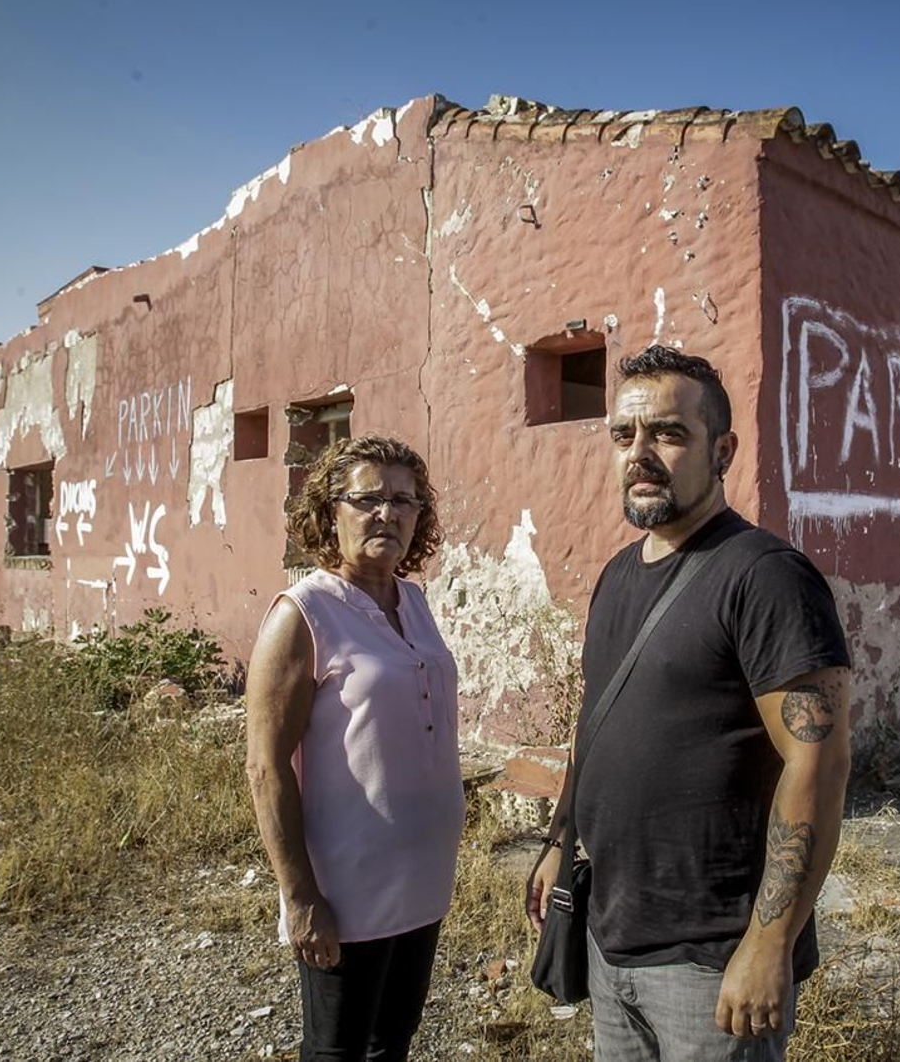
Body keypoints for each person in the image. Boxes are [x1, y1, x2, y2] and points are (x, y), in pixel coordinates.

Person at [527, 346, 853, 1061]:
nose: (639, 454)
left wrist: (769, 943)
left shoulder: (766, 577)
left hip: (711, 958)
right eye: (623, 435)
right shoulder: (617, 575)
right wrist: (559, 843)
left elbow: (819, 764)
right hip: (611, 937)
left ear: (723, 451)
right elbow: (594, 724)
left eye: (668, 434)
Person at [246, 435, 464, 1062]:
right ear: (330, 511)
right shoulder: (304, 613)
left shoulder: (414, 601)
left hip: (422, 878)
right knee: (337, 1050)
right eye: (367, 499)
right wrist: (300, 896)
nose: (387, 514)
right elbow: (265, 767)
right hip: (347, 890)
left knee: (392, 1041)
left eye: (404, 501)